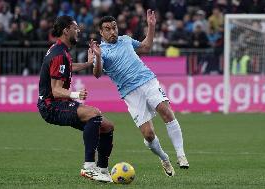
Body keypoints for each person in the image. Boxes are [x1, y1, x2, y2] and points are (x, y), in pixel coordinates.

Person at [91, 10, 189, 177]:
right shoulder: (101, 51)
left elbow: (146, 47)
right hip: (130, 93)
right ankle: (164, 158)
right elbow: (97, 73)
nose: (113, 31)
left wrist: (151, 26)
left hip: (148, 81)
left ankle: (181, 155)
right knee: (149, 135)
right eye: (107, 29)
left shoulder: (126, 40)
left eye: (114, 27)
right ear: (101, 32)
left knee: (166, 111)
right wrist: (98, 57)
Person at [37, 15, 114, 183]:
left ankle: (102, 170)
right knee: (94, 114)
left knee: (107, 127)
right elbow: (56, 90)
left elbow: (68, 68)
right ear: (66, 30)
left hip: (58, 103)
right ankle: (88, 167)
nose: (78, 30)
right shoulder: (59, 54)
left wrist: (88, 63)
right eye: (75, 28)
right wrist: (75, 94)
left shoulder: (60, 50)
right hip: (51, 106)